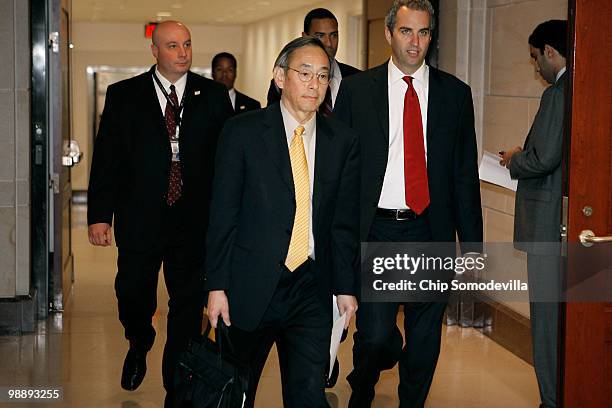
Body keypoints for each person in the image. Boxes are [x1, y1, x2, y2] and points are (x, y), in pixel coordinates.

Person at [334, 1, 483, 407]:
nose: (415, 42)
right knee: (377, 335)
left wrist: (472, 250)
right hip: (380, 230)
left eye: (423, 32)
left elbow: (464, 176)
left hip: (430, 229)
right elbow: (342, 172)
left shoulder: (455, 94)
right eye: (406, 31)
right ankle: (362, 385)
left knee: (424, 337)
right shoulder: (357, 90)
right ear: (388, 34)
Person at [205, 36, 359, 408]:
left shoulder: (342, 141)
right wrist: (217, 286)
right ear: (279, 77)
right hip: (250, 285)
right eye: (304, 73)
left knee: (308, 395)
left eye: (323, 76)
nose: (314, 84)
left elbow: (342, 225)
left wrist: (345, 287)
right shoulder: (242, 132)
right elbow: (223, 214)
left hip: (311, 287)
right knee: (235, 394)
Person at [87, 21, 232, 407]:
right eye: (172, 46)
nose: (183, 52)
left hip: (193, 220)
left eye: (187, 44)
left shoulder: (214, 96)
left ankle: (175, 380)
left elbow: (228, 161)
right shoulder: (125, 95)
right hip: (140, 217)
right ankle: (139, 340)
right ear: (154, 51)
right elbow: (107, 159)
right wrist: (99, 215)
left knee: (186, 305)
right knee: (133, 293)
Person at [499, 19, 567, 408]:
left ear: (551, 52)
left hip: (547, 227)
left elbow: (543, 157)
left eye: (534, 57)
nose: (535, 66)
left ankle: (552, 399)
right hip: (570, 224)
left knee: (546, 320)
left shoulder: (557, 94)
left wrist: (513, 160)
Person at [266, 7, 360, 114]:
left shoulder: (357, 78)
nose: (329, 43)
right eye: (320, 36)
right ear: (305, 37)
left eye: (334, 35)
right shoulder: (285, 81)